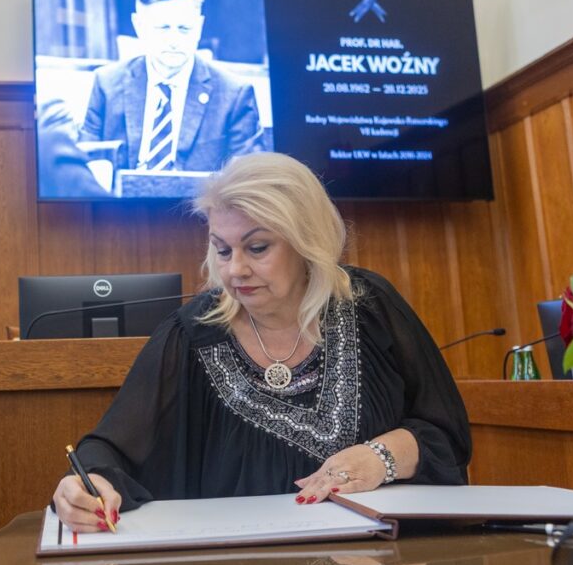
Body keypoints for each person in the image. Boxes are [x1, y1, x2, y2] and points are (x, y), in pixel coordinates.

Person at [52, 153, 470, 533]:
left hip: (380, 562)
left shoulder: (371, 307)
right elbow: (110, 449)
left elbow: (446, 436)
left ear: (307, 242)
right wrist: (87, 487)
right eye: (221, 249)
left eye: (257, 247)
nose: (235, 270)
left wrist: (382, 456)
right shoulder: (191, 334)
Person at [78, 0, 265, 174]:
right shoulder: (106, 83)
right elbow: (86, 166)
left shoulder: (234, 93)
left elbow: (248, 181)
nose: (174, 40)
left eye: (184, 29)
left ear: (199, 27)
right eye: (163, 28)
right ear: (138, 26)